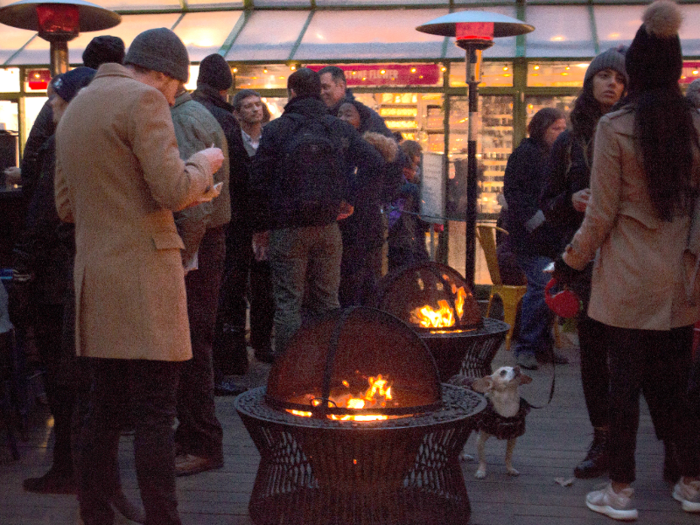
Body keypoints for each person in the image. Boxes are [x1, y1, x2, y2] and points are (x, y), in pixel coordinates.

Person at [54, 28, 223, 525]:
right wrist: (202, 164)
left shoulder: (74, 107)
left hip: (95, 281)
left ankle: (95, 514)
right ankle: (162, 519)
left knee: (101, 413)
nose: (173, 99)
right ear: (166, 76)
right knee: (154, 413)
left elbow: (66, 208)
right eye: (176, 89)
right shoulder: (145, 101)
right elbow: (173, 190)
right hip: (146, 280)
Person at [553, 1, 700, 519]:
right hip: (681, 280)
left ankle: (620, 492)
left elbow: (601, 217)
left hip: (626, 282)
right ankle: (691, 482)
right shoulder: (694, 127)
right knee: (676, 388)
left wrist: (569, 263)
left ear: (635, 70)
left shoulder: (615, 128)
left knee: (623, 387)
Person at [249, 68, 384, 357]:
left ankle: (288, 375)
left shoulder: (275, 130)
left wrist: (262, 226)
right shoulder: (338, 128)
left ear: (292, 93)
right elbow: (374, 161)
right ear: (318, 92)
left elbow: (257, 182)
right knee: (327, 301)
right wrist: (349, 198)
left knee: (288, 302)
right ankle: (327, 368)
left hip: (287, 227)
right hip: (327, 225)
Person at [540, 47, 627, 479]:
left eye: (620, 77)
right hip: (586, 261)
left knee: (632, 355)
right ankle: (603, 437)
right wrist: (569, 201)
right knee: (593, 354)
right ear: (590, 81)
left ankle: (641, 443)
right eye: (604, 75)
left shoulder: (637, 132)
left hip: (632, 258)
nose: (612, 83)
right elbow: (544, 206)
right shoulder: (569, 141)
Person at [170, 83, 230, 477]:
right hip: (207, 243)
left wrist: (181, 257)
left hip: (199, 247)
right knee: (193, 345)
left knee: (190, 347)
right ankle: (195, 436)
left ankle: (202, 442)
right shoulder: (194, 114)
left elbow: (195, 205)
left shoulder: (182, 119)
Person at [191, 54, 254, 394]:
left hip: (188, 217)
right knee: (218, 299)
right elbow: (240, 174)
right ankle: (218, 372)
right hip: (220, 223)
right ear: (226, 85)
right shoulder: (222, 119)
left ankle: (200, 374)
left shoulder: (185, 112)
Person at [18, 35, 124, 202]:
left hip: (51, 199)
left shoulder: (59, 95)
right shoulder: (118, 99)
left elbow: (33, 151)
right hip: (98, 201)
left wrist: (30, 191)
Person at [503, 107, 568, 371]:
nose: (560, 134)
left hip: (550, 237)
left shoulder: (555, 156)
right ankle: (526, 346)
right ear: (542, 129)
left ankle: (541, 344)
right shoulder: (525, 154)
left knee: (550, 288)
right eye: (556, 129)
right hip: (531, 238)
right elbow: (514, 192)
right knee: (542, 286)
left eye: (563, 129)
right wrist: (536, 218)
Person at [223, 89, 275, 362]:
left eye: (258, 104)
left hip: (266, 222)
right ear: (237, 112)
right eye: (248, 106)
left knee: (264, 287)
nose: (255, 109)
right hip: (240, 222)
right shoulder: (232, 141)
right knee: (236, 284)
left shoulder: (271, 139)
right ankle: (236, 346)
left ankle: (262, 342)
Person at [337, 100, 399, 306]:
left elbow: (384, 185)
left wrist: (352, 199)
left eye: (348, 115)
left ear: (361, 121)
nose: (342, 119)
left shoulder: (371, 151)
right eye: (340, 115)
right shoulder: (340, 146)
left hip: (363, 223)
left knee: (360, 275)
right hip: (349, 223)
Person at [387, 140, 430, 271]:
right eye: (415, 165)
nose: (415, 169)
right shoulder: (408, 187)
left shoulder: (409, 183)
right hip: (404, 238)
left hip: (405, 237)